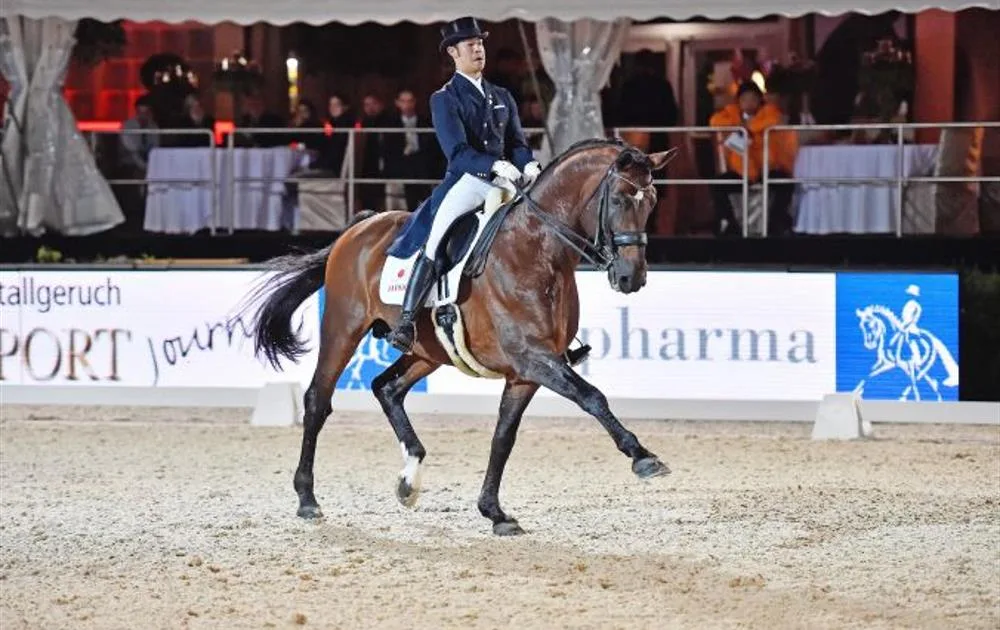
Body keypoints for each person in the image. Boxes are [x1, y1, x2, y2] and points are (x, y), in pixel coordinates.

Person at [385, 16, 541, 353]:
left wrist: (527, 162)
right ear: (454, 53)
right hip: (469, 182)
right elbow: (456, 153)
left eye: (480, 44)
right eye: (470, 45)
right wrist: (494, 164)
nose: (478, 49)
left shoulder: (501, 95)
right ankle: (407, 321)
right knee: (436, 239)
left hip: (506, 181)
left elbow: (516, 140)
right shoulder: (445, 98)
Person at [709, 80, 797, 236]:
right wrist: (738, 126)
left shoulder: (769, 114)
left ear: (759, 100)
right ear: (738, 102)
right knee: (718, 185)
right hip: (740, 170)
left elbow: (774, 119)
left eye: (753, 99)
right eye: (745, 99)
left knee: (785, 183)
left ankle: (775, 222)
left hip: (766, 169)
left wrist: (749, 128)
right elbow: (714, 121)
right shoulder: (730, 115)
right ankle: (730, 223)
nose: (749, 103)